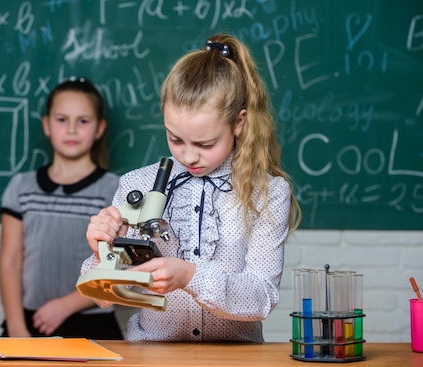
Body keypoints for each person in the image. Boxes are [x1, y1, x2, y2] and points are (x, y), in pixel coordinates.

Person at [82, 34, 302, 342]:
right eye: (175, 139)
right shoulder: (137, 184)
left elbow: (261, 298)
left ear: (239, 123)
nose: (187, 156)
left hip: (234, 362)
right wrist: (100, 251)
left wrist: (190, 276)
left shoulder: (268, 193)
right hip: (154, 359)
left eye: (205, 143)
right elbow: (103, 299)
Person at [0, 78, 122, 339]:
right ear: (46, 125)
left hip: (93, 325)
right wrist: (16, 327)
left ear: (100, 128)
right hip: (29, 324)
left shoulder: (115, 189)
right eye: (62, 120)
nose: (72, 130)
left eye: (83, 121)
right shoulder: (21, 187)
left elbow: (120, 267)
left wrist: (66, 306)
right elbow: (9, 261)